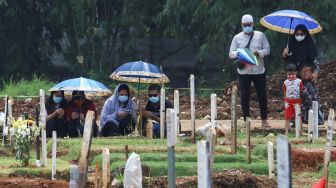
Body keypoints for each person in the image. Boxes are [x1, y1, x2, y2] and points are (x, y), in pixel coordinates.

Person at [229, 14, 271, 127]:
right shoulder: (237, 38)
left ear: (253, 24)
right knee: (245, 95)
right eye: (245, 25)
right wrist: (240, 53)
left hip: (259, 70)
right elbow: (231, 53)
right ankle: (246, 120)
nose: (247, 26)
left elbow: (267, 49)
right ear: (242, 25)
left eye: (249, 24)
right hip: (244, 72)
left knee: (262, 95)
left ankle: (264, 119)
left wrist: (259, 53)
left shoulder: (260, 35)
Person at [282, 24, 324, 125]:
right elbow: (287, 61)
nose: (299, 36)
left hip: (307, 76)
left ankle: (315, 118)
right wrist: (284, 54)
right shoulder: (291, 44)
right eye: (297, 34)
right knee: (296, 97)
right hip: (295, 77)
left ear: (305, 34)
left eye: (301, 34)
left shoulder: (310, 45)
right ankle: (297, 119)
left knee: (310, 97)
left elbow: (315, 60)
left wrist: (316, 72)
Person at [283, 64, 303, 135]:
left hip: (297, 102)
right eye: (289, 74)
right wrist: (285, 100)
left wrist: (301, 100)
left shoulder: (299, 81)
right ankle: (286, 131)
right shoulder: (285, 82)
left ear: (296, 73)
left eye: (293, 74)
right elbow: (285, 91)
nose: (291, 76)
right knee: (287, 116)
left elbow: (301, 91)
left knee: (298, 116)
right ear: (286, 74)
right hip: (288, 102)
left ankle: (300, 131)